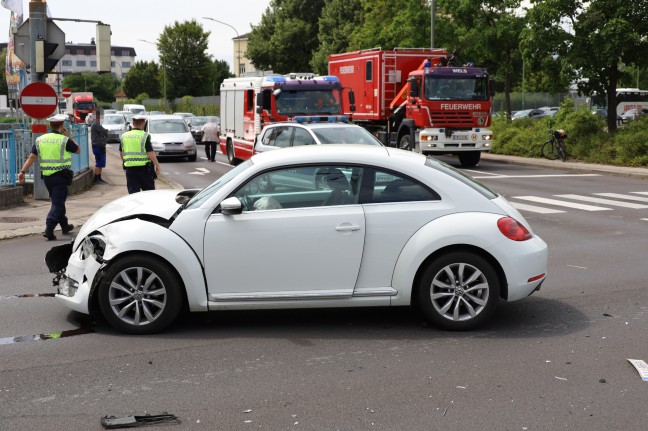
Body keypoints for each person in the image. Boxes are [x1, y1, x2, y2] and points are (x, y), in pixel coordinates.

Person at [17, 114, 81, 241]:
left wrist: (23, 171)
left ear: (50, 125)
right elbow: (78, 150)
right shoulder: (64, 140)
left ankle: (64, 225)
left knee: (57, 201)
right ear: (62, 125)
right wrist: (68, 135)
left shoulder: (40, 139)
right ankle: (49, 228)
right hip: (61, 177)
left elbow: (31, 157)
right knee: (58, 203)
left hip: (47, 178)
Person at [119, 114, 161, 194]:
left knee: (133, 194)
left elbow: (121, 153)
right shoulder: (145, 136)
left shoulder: (124, 136)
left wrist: (126, 162)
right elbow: (150, 153)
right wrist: (157, 165)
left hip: (130, 170)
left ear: (132, 122)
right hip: (144, 170)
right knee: (149, 194)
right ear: (143, 123)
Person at [89, 111, 109, 184]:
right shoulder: (96, 125)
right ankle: (96, 179)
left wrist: (103, 133)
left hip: (99, 146)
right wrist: (105, 132)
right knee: (98, 163)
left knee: (100, 163)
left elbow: (103, 132)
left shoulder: (96, 124)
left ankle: (99, 178)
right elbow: (105, 131)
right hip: (98, 146)